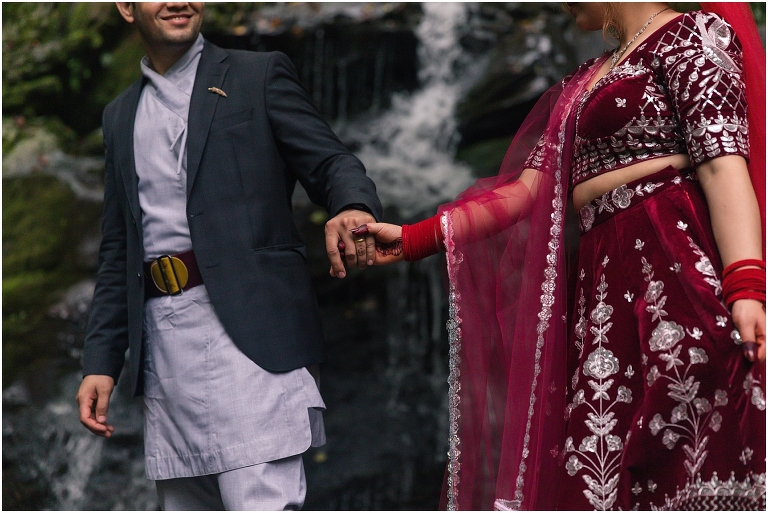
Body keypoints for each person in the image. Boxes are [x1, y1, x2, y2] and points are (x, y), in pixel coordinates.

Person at [363, 2, 766, 510]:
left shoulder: (690, 38)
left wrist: (747, 288)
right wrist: (414, 238)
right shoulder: (585, 81)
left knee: (690, 447)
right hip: (603, 310)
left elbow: (722, 169)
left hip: (675, 277)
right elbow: (523, 191)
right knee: (603, 469)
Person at [75, 2, 382, 510]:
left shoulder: (257, 75)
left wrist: (351, 206)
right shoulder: (119, 116)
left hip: (255, 334)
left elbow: (330, 161)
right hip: (164, 344)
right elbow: (118, 250)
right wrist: (101, 362)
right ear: (126, 8)